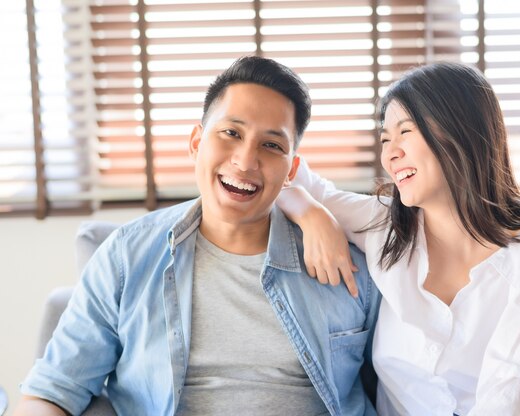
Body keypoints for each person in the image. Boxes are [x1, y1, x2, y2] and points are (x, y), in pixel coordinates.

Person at [16, 56, 380, 416]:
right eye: (231, 133)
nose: (245, 161)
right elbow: (53, 390)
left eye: (271, 145)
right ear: (195, 143)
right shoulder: (127, 256)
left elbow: (401, 386)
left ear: (291, 171)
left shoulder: (346, 265)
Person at [277, 62, 520, 415]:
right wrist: (310, 212)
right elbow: (276, 173)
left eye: (406, 132)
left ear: (459, 130)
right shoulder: (386, 226)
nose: (390, 153)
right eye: (385, 138)